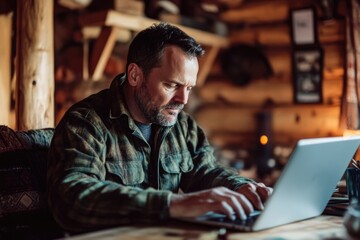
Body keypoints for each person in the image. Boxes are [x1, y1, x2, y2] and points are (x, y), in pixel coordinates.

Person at [47, 22, 272, 232]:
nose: (183, 99)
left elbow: (206, 171)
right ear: (135, 75)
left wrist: (243, 188)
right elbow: (71, 198)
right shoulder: (86, 122)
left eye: (189, 88)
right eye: (172, 85)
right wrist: (171, 204)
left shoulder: (182, 125)